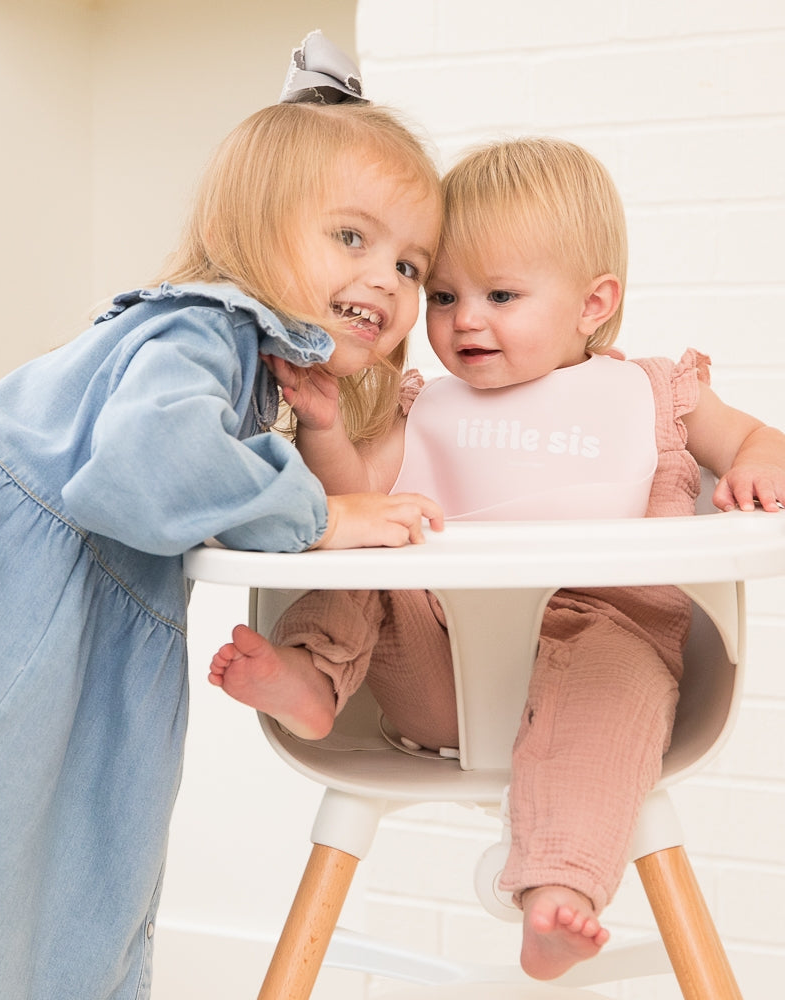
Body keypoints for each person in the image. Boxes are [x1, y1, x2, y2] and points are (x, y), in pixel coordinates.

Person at [0, 33, 444, 1000]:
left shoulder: (230, 352)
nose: (388, 279)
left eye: (413, 265)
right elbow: (147, 464)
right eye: (353, 238)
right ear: (256, 231)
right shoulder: (206, 328)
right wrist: (317, 515)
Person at [208, 136, 785, 981]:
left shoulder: (660, 393)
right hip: (433, 674)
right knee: (372, 542)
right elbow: (353, 495)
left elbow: (755, 440)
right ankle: (311, 676)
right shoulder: (421, 405)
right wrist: (328, 431)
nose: (464, 319)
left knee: (616, 675)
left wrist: (755, 466)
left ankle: (560, 893)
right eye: (442, 294)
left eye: (501, 294)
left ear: (594, 303)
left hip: (601, 653)